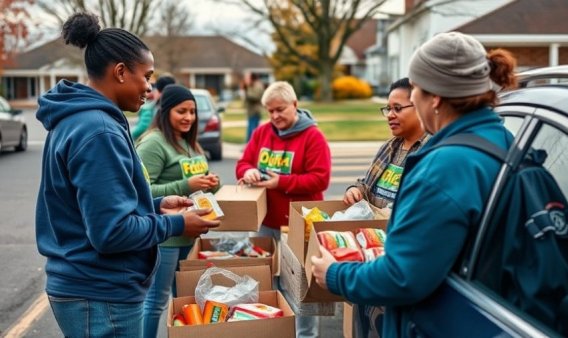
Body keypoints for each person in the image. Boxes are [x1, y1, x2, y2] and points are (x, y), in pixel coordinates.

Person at [311, 31, 517, 337]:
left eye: (416, 90)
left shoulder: (444, 167)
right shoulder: (501, 139)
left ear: (434, 98)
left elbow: (401, 277)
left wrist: (335, 275)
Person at [35, 12, 220, 338]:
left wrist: (156, 202)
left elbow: (94, 203)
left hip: (90, 287)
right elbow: (111, 232)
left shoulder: (82, 119)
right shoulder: (98, 130)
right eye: (146, 76)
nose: (150, 88)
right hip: (100, 293)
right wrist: (178, 223)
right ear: (120, 72)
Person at [236, 81, 331, 338]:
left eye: (280, 109)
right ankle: (273, 330)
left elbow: (320, 179)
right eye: (270, 111)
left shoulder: (313, 136)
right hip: (266, 221)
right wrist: (249, 171)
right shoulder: (262, 132)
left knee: (301, 286)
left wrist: (282, 182)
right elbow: (243, 162)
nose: (275, 116)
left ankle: (305, 335)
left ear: (295, 105)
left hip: (300, 225)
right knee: (267, 282)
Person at [343, 77, 429, 338]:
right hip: (368, 255)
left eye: (397, 108)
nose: (390, 115)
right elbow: (366, 184)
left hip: (396, 265)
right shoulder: (389, 147)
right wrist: (354, 190)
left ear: (419, 106)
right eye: (387, 109)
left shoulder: (429, 152)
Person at [136, 84, 220, 337]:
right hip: (166, 236)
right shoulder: (154, 143)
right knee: (156, 302)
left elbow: (200, 184)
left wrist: (212, 183)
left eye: (192, 112)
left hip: (190, 234)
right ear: (165, 111)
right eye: (181, 111)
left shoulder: (189, 142)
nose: (188, 117)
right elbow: (140, 192)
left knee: (183, 299)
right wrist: (186, 185)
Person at [131, 74, 176, 140]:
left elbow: (141, 128)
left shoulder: (149, 109)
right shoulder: (175, 105)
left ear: (158, 91)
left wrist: (129, 135)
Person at [244, 73, 265, 142]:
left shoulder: (257, 86)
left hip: (255, 111)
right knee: (251, 129)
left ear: (252, 78)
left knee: (252, 129)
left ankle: (250, 145)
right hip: (251, 111)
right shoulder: (252, 85)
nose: (246, 80)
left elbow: (256, 97)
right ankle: (249, 145)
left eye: (247, 78)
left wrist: (247, 89)